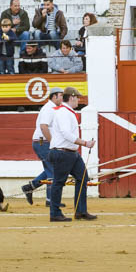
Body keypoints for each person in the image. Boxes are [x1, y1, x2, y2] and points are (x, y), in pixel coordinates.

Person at [48, 86, 96, 222]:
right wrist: (85, 143)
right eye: (77, 98)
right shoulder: (64, 113)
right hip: (63, 152)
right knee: (59, 182)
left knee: (83, 178)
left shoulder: (66, 112)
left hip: (70, 152)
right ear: (72, 97)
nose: (78, 101)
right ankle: (55, 213)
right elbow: (66, 133)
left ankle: (81, 211)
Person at [22, 87, 65, 207]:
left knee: (50, 168)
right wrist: (53, 143)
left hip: (42, 141)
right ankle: (51, 200)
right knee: (53, 169)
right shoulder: (49, 109)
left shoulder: (52, 108)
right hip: (43, 142)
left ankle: (30, 187)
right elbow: (43, 127)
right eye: (61, 96)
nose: (62, 98)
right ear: (54, 96)